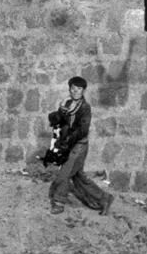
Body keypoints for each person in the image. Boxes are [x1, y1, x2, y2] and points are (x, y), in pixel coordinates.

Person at [47, 76, 114, 216]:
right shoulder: (67, 102)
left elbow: (83, 129)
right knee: (78, 177)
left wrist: (68, 140)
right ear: (69, 89)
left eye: (78, 89)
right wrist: (56, 117)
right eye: (73, 88)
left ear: (83, 91)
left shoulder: (85, 107)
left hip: (78, 146)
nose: (75, 91)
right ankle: (104, 198)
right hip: (68, 145)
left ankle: (59, 203)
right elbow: (62, 119)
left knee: (64, 173)